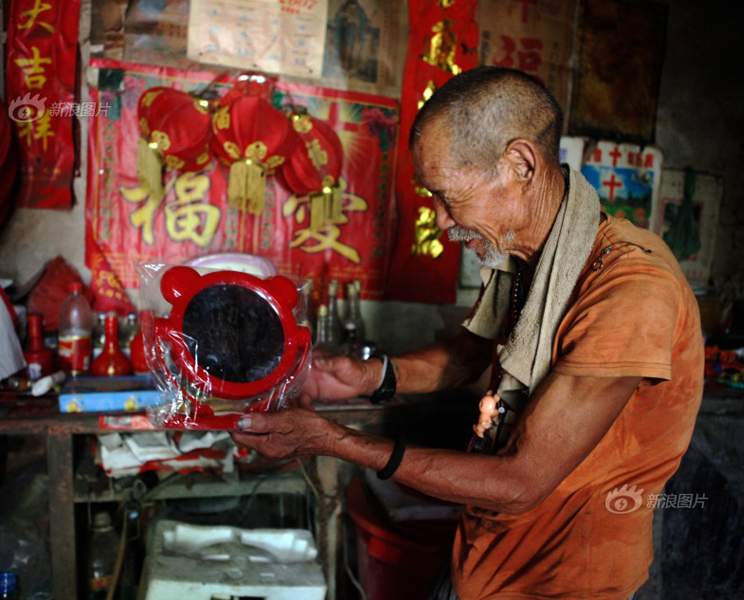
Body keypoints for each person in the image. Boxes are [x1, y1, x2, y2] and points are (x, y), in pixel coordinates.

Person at [230, 66, 704, 600]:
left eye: (446, 195)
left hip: (559, 585)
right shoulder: (529, 258)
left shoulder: (630, 288)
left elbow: (520, 483)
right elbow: (466, 356)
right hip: (482, 559)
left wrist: (335, 441)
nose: (437, 219)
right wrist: (362, 377)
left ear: (519, 164)